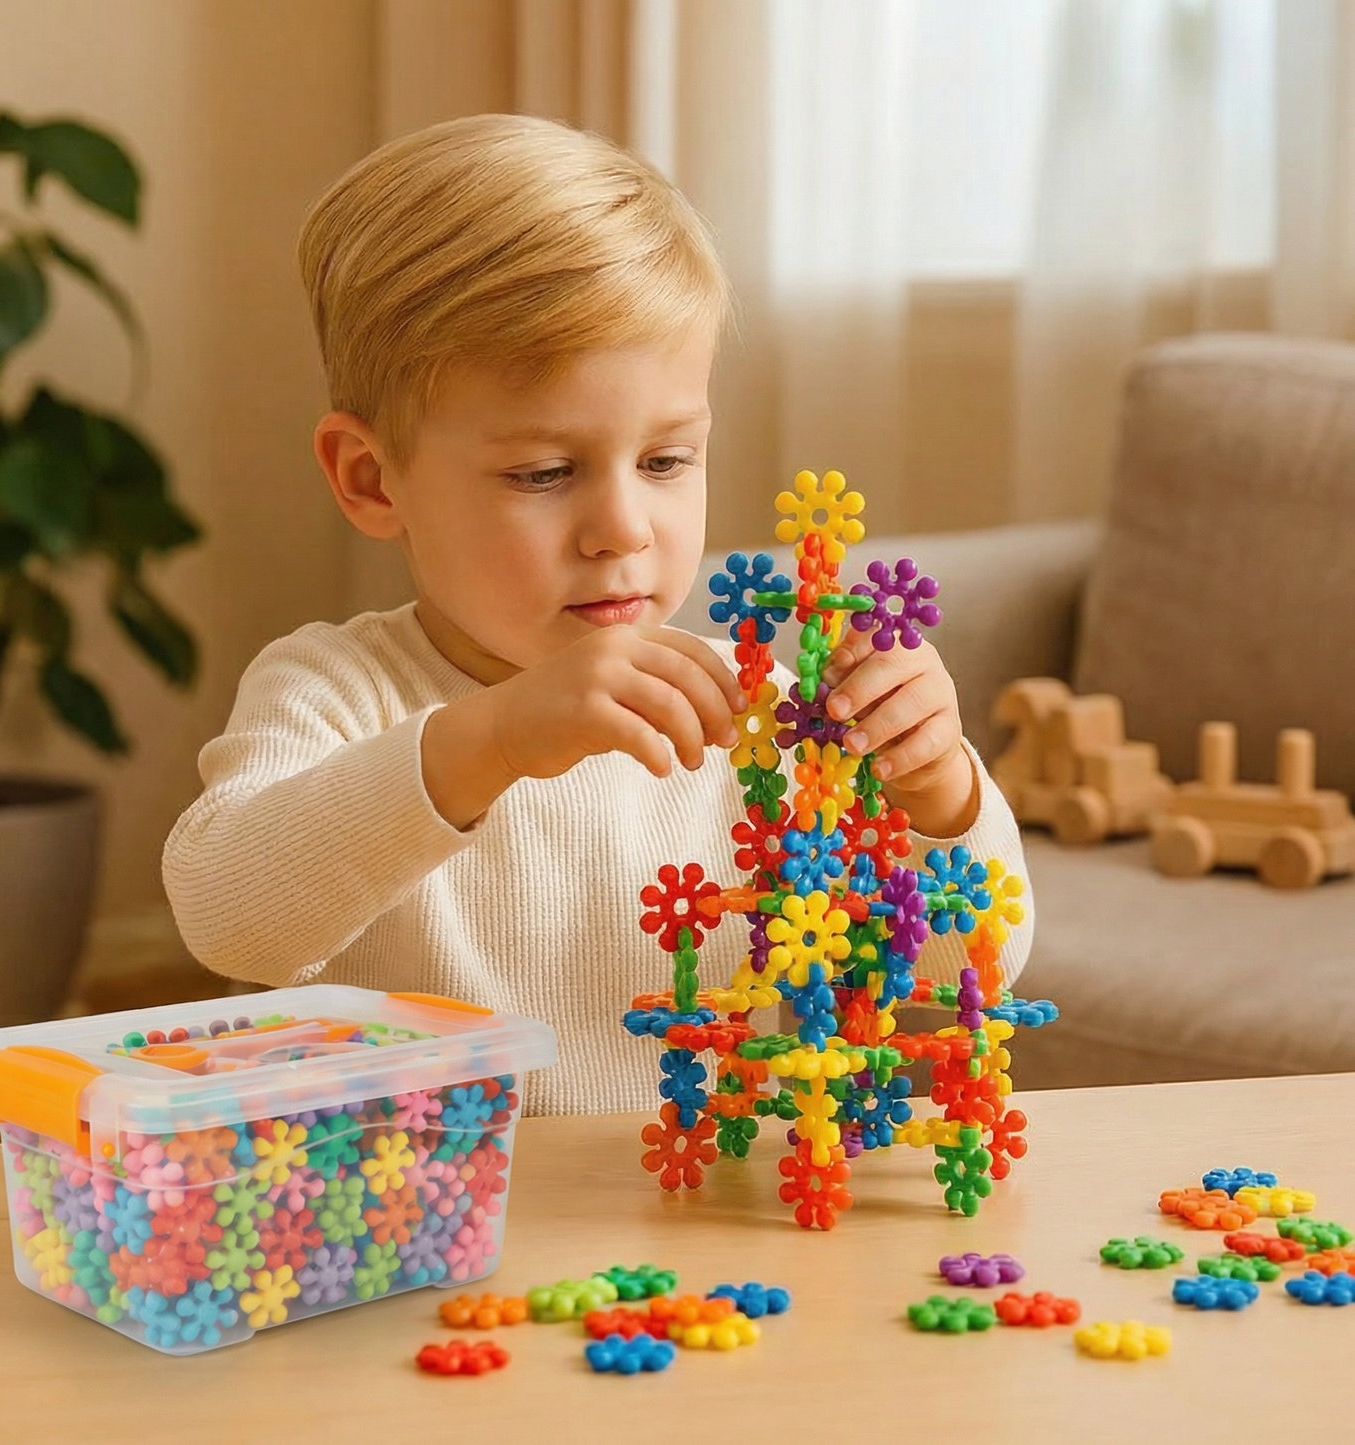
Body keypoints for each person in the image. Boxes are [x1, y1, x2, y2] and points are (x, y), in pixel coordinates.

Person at [163, 114, 1032, 1115]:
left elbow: (966, 966)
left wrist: (936, 793)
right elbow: (228, 916)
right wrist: (488, 738)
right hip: (403, 1240)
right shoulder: (333, 690)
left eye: (666, 460)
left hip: (698, 1235)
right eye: (543, 471)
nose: (620, 526)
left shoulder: (766, 715)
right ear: (371, 478)